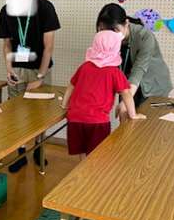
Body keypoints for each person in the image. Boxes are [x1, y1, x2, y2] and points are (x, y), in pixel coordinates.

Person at [0, 0, 61, 172]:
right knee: (16, 113)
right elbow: (7, 44)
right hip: (17, 67)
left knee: (39, 113)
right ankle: (20, 153)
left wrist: (41, 77)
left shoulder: (45, 8)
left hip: (39, 68)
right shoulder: (5, 11)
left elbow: (48, 47)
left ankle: (38, 150)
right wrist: (9, 69)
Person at [61, 30, 146, 160]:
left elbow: (71, 86)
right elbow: (127, 94)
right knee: (97, 155)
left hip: (75, 119)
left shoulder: (84, 67)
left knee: (82, 151)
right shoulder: (114, 72)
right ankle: (91, 172)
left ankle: (83, 170)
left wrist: (64, 104)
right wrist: (133, 115)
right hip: (97, 122)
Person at [96, 3, 173, 120]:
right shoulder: (104, 39)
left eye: (115, 30)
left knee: (147, 124)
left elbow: (139, 69)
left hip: (152, 86)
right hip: (128, 86)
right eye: (103, 31)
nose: (110, 36)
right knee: (126, 122)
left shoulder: (144, 35)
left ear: (126, 23)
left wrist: (126, 101)